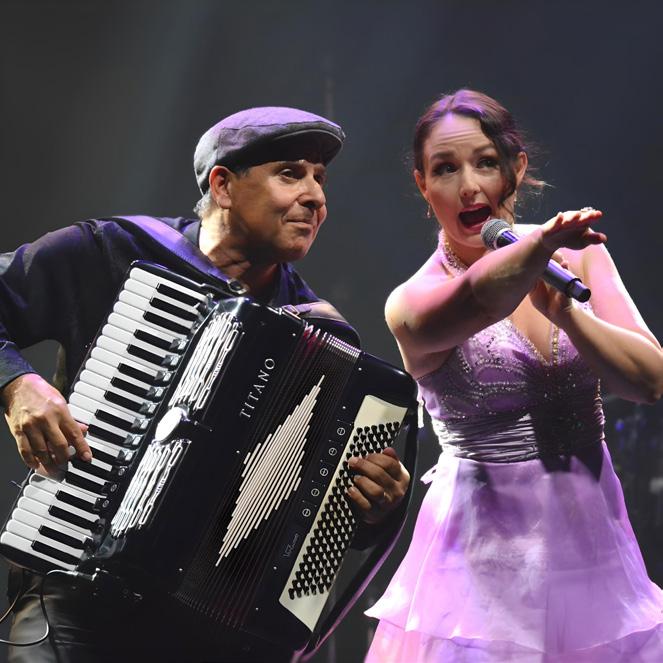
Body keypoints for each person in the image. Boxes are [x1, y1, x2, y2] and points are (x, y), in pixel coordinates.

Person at [0, 106, 411, 662]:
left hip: (214, 632)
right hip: (72, 590)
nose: (316, 196)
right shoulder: (115, 250)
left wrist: (374, 505)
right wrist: (17, 385)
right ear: (222, 185)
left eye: (320, 179)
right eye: (291, 174)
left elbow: (312, 522)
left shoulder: (324, 335)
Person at [364, 89, 663, 662]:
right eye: (445, 169)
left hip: (594, 551)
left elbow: (648, 381)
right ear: (423, 185)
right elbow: (482, 297)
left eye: (485, 163)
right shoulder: (413, 300)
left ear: (516, 167)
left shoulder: (578, 260)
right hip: (478, 571)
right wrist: (538, 245)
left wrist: (570, 315)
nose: (469, 187)